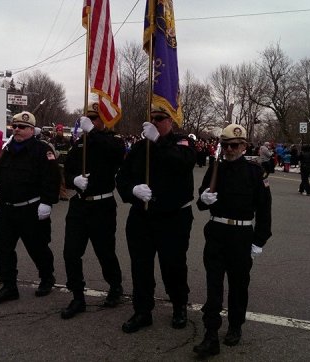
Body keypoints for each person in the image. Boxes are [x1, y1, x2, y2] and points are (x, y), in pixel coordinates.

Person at [192, 124, 272, 357]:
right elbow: (202, 199)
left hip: (241, 236)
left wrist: (259, 241)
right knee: (213, 285)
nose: (229, 149)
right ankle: (210, 334)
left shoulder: (255, 172)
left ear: (244, 146)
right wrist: (203, 199)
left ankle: (235, 326)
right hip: (216, 233)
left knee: (238, 286)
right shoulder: (215, 168)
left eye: (234, 145)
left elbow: (264, 210)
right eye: (225, 145)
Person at [115, 105, 196, 333]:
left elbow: (183, 164)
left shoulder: (181, 143)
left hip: (173, 217)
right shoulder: (140, 148)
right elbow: (122, 177)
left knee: (173, 265)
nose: (155, 122)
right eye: (151, 119)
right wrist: (132, 190)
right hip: (142, 216)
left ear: (171, 121)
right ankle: (142, 310)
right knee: (140, 265)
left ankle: (179, 306)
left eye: (160, 118)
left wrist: (159, 142)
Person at [0, 111, 60, 305]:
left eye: (22, 127)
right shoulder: (8, 150)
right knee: (4, 249)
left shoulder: (42, 150)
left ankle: (47, 278)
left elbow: (52, 178)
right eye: (14, 126)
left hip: (30, 209)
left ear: (32, 130)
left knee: (37, 247)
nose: (16, 129)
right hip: (7, 208)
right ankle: (9, 286)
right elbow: (1, 173)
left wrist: (47, 202)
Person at [59, 102, 126, 319]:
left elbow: (117, 153)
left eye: (96, 118)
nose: (91, 121)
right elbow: (67, 172)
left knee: (105, 252)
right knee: (71, 252)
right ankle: (77, 296)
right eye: (89, 117)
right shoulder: (79, 145)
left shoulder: (111, 141)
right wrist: (73, 180)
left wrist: (93, 132)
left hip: (102, 206)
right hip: (79, 205)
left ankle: (115, 286)